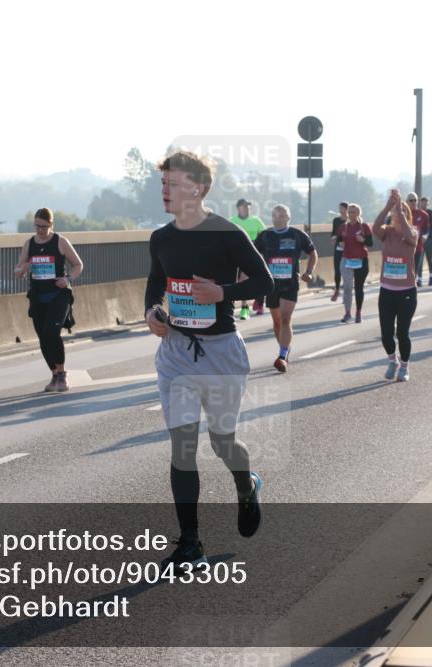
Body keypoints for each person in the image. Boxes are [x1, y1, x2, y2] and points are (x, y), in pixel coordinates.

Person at [143, 152, 272, 572]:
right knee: (182, 446)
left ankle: (246, 484)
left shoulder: (227, 233)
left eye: (173, 183)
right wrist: (151, 314)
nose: (165, 190)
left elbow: (264, 281)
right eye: (163, 183)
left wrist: (222, 294)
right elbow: (154, 286)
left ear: (197, 188)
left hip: (220, 353)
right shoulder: (161, 238)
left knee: (222, 443)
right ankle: (191, 543)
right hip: (177, 352)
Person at [14, 207, 84, 393]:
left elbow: (78, 264)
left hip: (58, 296)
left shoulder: (60, 242)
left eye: (44, 227)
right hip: (38, 297)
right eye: (37, 226)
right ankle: (54, 374)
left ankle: (62, 374)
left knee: (52, 333)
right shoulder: (29, 244)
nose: (40, 230)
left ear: (51, 225)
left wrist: (68, 279)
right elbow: (18, 271)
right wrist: (25, 268)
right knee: (43, 338)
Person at [254, 205, 317, 372]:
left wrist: (309, 272)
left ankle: (282, 355)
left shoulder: (297, 235)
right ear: (272, 217)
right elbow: (252, 255)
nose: (278, 218)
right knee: (276, 322)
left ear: (288, 218)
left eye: (282, 215)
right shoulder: (265, 236)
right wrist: (253, 274)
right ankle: (284, 347)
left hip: (290, 283)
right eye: (275, 215)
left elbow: (313, 253)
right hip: (272, 283)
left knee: (285, 318)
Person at [373, 190, 419, 382]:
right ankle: (393, 360)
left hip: (406, 291)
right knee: (385, 333)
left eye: (401, 214)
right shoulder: (387, 233)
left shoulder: (413, 233)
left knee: (402, 332)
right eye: (395, 215)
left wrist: (399, 207)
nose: (397, 217)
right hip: (387, 290)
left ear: (407, 216)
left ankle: (405, 367)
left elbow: (409, 234)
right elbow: (375, 227)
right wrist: (388, 206)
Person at [229, 198, 267, 318]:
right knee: (241, 281)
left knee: (260, 278)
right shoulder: (232, 221)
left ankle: (260, 303)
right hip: (238, 254)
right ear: (238, 208)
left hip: (255, 253)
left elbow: (264, 236)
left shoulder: (256, 220)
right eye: (244, 206)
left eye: (248, 206)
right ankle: (244, 307)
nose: (247, 208)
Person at [337, 203, 374, 323]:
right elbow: (338, 241)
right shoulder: (343, 227)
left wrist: (363, 240)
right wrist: (339, 243)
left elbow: (370, 243)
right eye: (350, 212)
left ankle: (358, 312)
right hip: (346, 259)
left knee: (359, 287)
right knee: (347, 287)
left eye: (354, 212)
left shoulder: (364, 227)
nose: (351, 214)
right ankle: (347, 313)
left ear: (358, 213)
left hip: (361, 260)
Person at [406, 193, 430, 288]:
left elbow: (426, 230)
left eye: (415, 200)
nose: (413, 202)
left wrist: (425, 236)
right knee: (406, 271)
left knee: (414, 272)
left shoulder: (423, 215)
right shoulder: (403, 214)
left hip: (418, 247)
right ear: (407, 202)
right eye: (411, 200)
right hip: (405, 248)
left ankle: (411, 291)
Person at [330, 202, 349, 301]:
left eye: (342, 208)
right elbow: (333, 233)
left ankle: (346, 292)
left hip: (350, 250)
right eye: (339, 208)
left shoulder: (351, 221)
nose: (340, 210)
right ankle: (337, 289)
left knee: (347, 272)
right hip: (338, 248)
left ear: (347, 210)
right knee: (337, 271)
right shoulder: (336, 220)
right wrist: (333, 238)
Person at [420, 196, 432, 286]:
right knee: (419, 260)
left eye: (425, 202)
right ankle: (419, 278)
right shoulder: (418, 213)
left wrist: (431, 236)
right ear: (420, 203)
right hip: (419, 240)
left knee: (429, 259)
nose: (424, 204)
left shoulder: (431, 213)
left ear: (428, 203)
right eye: (422, 202)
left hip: (429, 239)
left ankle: (431, 276)